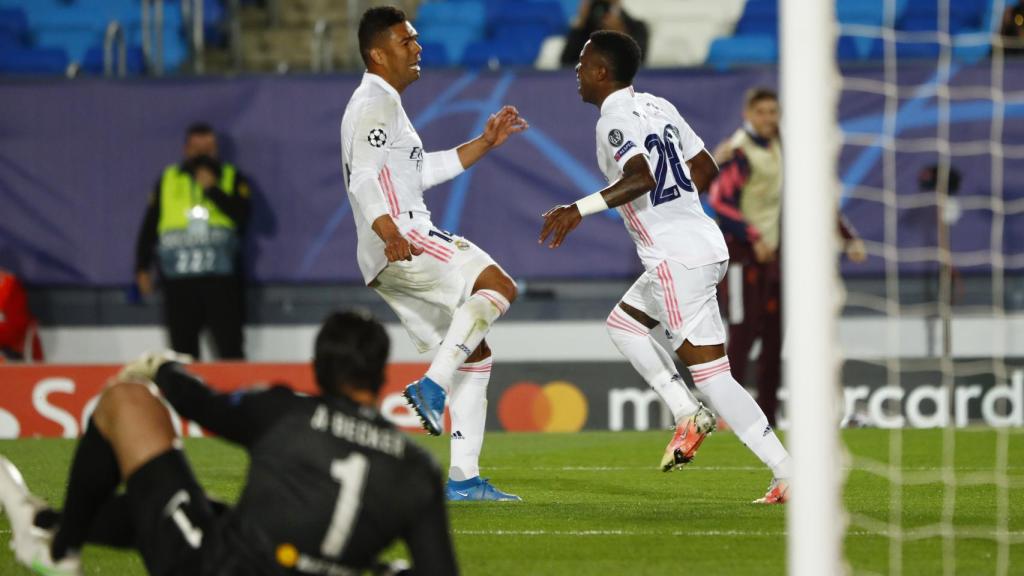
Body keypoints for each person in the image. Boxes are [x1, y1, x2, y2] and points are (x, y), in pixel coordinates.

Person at [0, 310, 458, 575]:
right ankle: (49, 521)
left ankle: (61, 551)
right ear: (381, 375)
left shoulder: (285, 414)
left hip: (212, 568)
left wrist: (162, 367)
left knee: (127, 402)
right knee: (210, 511)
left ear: (318, 369)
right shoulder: (417, 469)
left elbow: (199, 403)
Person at [540, 30, 791, 503]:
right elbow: (706, 168)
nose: (577, 69)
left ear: (601, 72)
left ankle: (785, 470)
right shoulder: (659, 106)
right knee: (624, 325)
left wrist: (578, 209)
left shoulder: (613, 120)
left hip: (675, 258)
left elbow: (641, 177)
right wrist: (677, 209)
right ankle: (685, 411)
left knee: (713, 378)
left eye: (583, 62)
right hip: (704, 246)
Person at [341, 6, 528, 502]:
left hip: (390, 246)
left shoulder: (386, 105)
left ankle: (463, 479)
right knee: (499, 286)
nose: (417, 47)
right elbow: (362, 178)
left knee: (475, 349)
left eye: (416, 38)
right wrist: (388, 229)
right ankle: (432, 387)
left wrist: (484, 143)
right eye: (406, 41)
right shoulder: (374, 103)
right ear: (378, 54)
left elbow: (421, 171)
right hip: (401, 235)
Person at [708, 88, 866, 426]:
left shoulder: (782, 147)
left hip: (775, 262)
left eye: (773, 112)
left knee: (773, 339)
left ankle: (767, 417)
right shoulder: (739, 152)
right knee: (742, 335)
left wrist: (846, 236)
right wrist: (753, 237)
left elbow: (814, 195)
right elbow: (720, 201)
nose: (768, 118)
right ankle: (728, 415)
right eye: (761, 112)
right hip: (742, 260)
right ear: (747, 114)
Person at [134, 122, 251, 360]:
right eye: (197, 149)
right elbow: (149, 226)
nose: (203, 155)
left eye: (208, 149)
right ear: (186, 149)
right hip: (179, 283)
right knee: (182, 353)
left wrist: (213, 189)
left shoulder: (231, 177)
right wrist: (141, 267)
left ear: (216, 150)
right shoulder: (168, 179)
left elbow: (244, 217)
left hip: (221, 282)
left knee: (230, 350)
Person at [559, 0, 649, 68]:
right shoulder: (586, 29)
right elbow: (566, 62)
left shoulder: (637, 27)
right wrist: (581, 23)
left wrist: (621, 34)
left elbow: (639, 63)